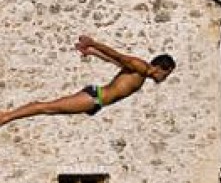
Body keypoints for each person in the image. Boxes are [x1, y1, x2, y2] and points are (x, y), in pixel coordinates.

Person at [0, 36, 175, 128]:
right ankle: (6, 116)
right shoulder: (141, 67)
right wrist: (94, 44)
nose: (164, 79)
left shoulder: (140, 73)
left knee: (49, 109)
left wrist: (92, 52)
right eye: (166, 74)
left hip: (95, 101)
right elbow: (118, 56)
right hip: (95, 98)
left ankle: (8, 115)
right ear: (161, 68)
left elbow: (113, 62)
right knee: (46, 107)